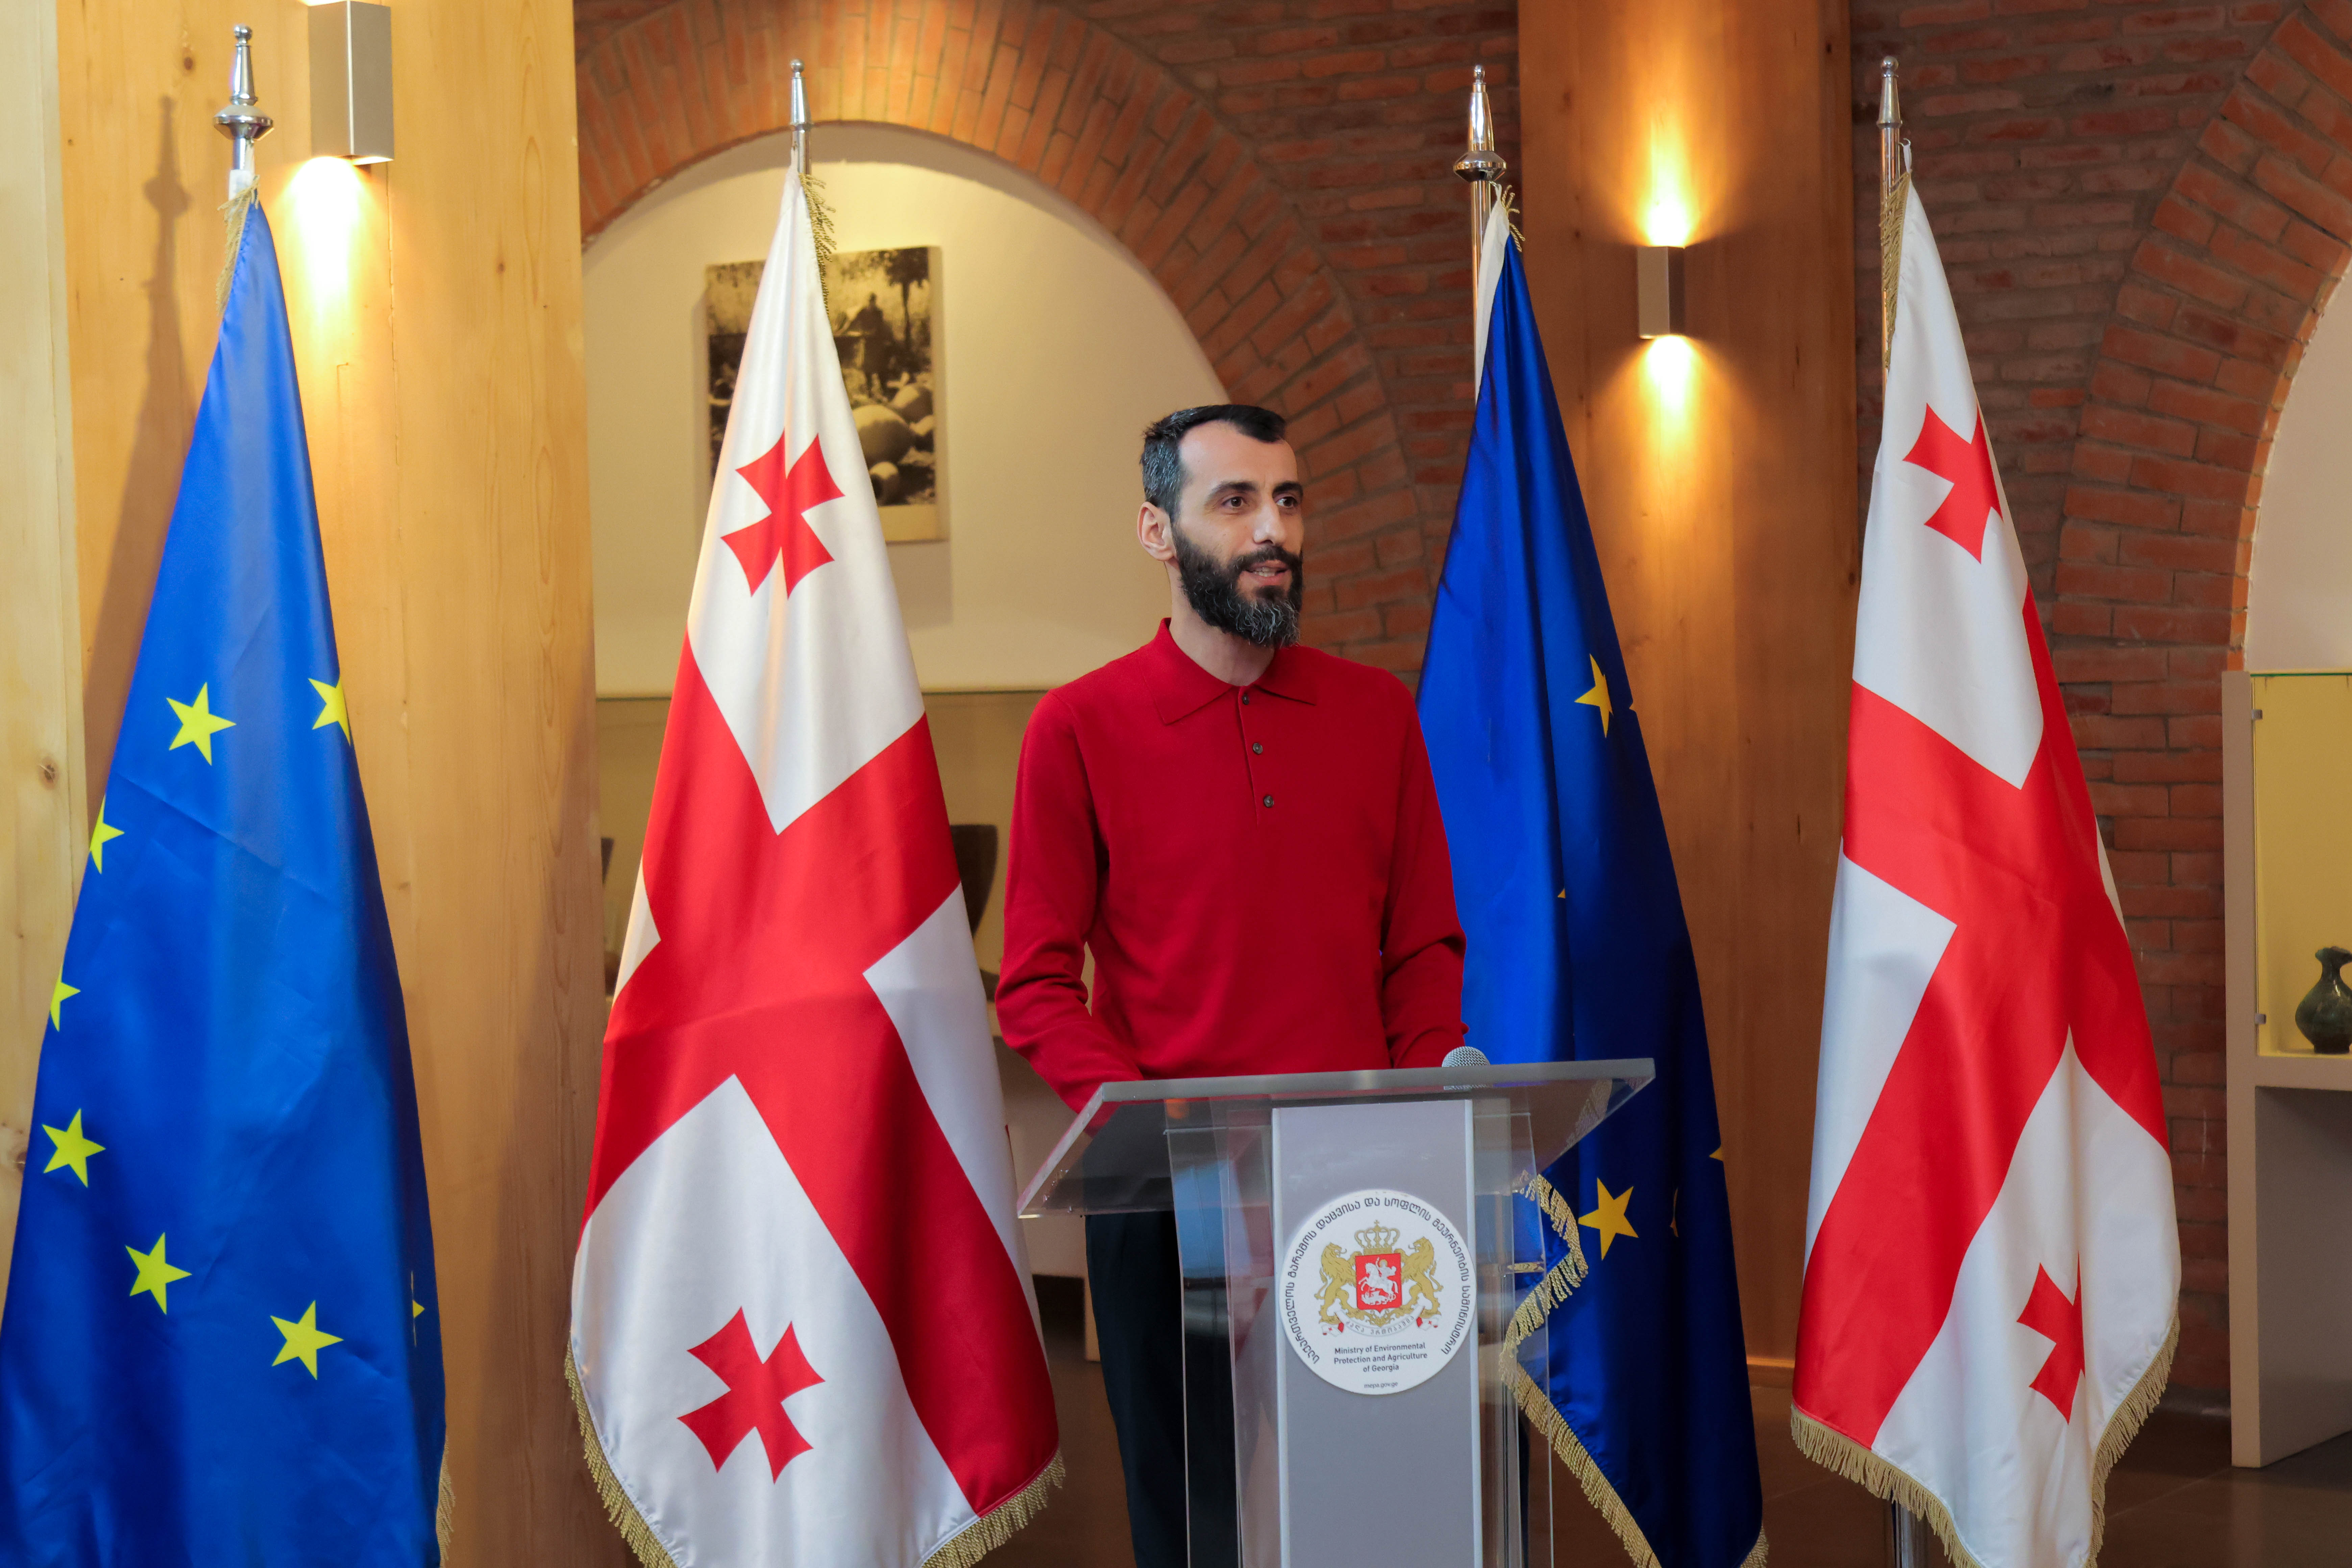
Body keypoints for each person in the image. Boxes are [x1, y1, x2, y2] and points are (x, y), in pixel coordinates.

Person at [996, 404, 1466, 1568]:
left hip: (1356, 1193)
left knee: (1366, 1525)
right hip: (1166, 1204)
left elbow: (1421, 950)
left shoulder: (1376, 714)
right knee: (1193, 1532)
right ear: (1157, 532)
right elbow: (1037, 983)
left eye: (1288, 500)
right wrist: (1151, 1120)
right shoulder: (1077, 727)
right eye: (1237, 501)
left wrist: (1435, 1082)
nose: (1273, 531)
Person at [845, 292, 892, 397]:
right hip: (867, 344)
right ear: (867, 301)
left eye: (873, 301)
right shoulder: (862, 312)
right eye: (869, 301)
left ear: (875, 302)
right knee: (867, 369)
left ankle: (884, 390)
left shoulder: (879, 313)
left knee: (880, 368)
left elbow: (878, 327)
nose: (871, 303)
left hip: (877, 344)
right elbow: (853, 322)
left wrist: (870, 333)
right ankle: (869, 390)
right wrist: (847, 330)